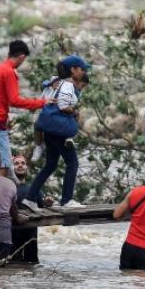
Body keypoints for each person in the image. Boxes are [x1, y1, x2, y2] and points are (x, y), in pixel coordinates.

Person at [0, 40, 52, 177]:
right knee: (5, 163)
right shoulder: (9, 72)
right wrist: (41, 103)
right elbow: (15, 100)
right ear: (22, 57)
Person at [28, 55, 91, 206]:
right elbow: (63, 106)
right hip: (59, 129)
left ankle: (29, 198)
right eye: (82, 69)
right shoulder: (67, 85)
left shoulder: (55, 82)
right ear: (73, 70)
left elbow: (45, 96)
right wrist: (74, 112)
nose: (83, 72)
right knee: (72, 164)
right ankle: (67, 200)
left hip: (49, 128)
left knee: (50, 165)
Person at [10, 154, 54, 264]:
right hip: (9, 239)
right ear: (11, 168)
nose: (20, 165)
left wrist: (47, 201)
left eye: (23, 163)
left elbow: (43, 205)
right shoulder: (5, 187)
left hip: (30, 240)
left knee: (31, 270)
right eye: (16, 163)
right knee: (10, 270)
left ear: (27, 168)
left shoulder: (34, 189)